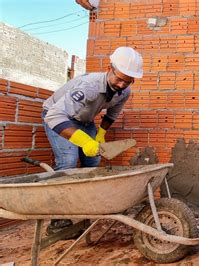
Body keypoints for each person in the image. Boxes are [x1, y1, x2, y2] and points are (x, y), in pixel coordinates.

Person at [42, 46, 143, 234]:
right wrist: (84, 141)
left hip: (85, 119)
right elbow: (54, 117)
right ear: (109, 68)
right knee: (68, 162)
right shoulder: (89, 86)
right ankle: (57, 221)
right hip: (59, 116)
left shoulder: (124, 91)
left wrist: (100, 134)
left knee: (93, 160)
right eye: (119, 78)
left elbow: (112, 114)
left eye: (127, 82)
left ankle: (87, 207)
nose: (121, 84)